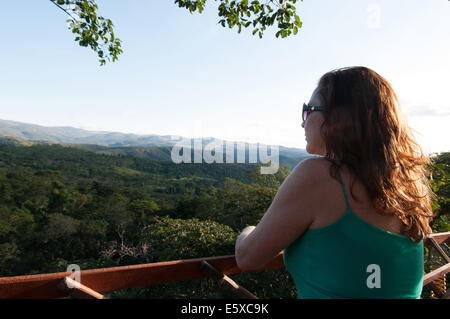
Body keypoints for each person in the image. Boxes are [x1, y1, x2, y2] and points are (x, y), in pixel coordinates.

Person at [234, 66, 436, 299]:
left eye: (308, 110)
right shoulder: (409, 186)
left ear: (339, 117)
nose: (303, 122)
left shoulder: (320, 175)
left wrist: (248, 231)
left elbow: (247, 258)